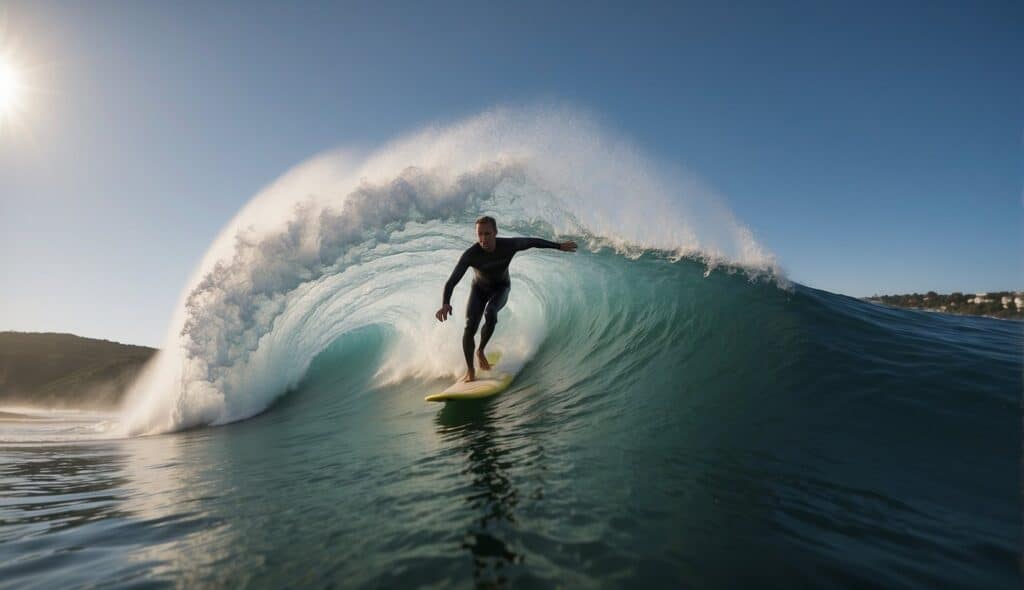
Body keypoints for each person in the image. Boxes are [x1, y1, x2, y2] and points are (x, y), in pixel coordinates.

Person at [436, 216, 577, 382]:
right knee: (469, 327)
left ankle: (480, 350)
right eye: (479, 234)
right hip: (479, 290)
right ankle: (471, 371)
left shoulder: (508, 246)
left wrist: (559, 246)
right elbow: (452, 281)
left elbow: (532, 242)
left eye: (487, 234)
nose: (483, 239)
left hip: (501, 287)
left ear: (495, 232)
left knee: (491, 312)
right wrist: (445, 303)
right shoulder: (470, 255)